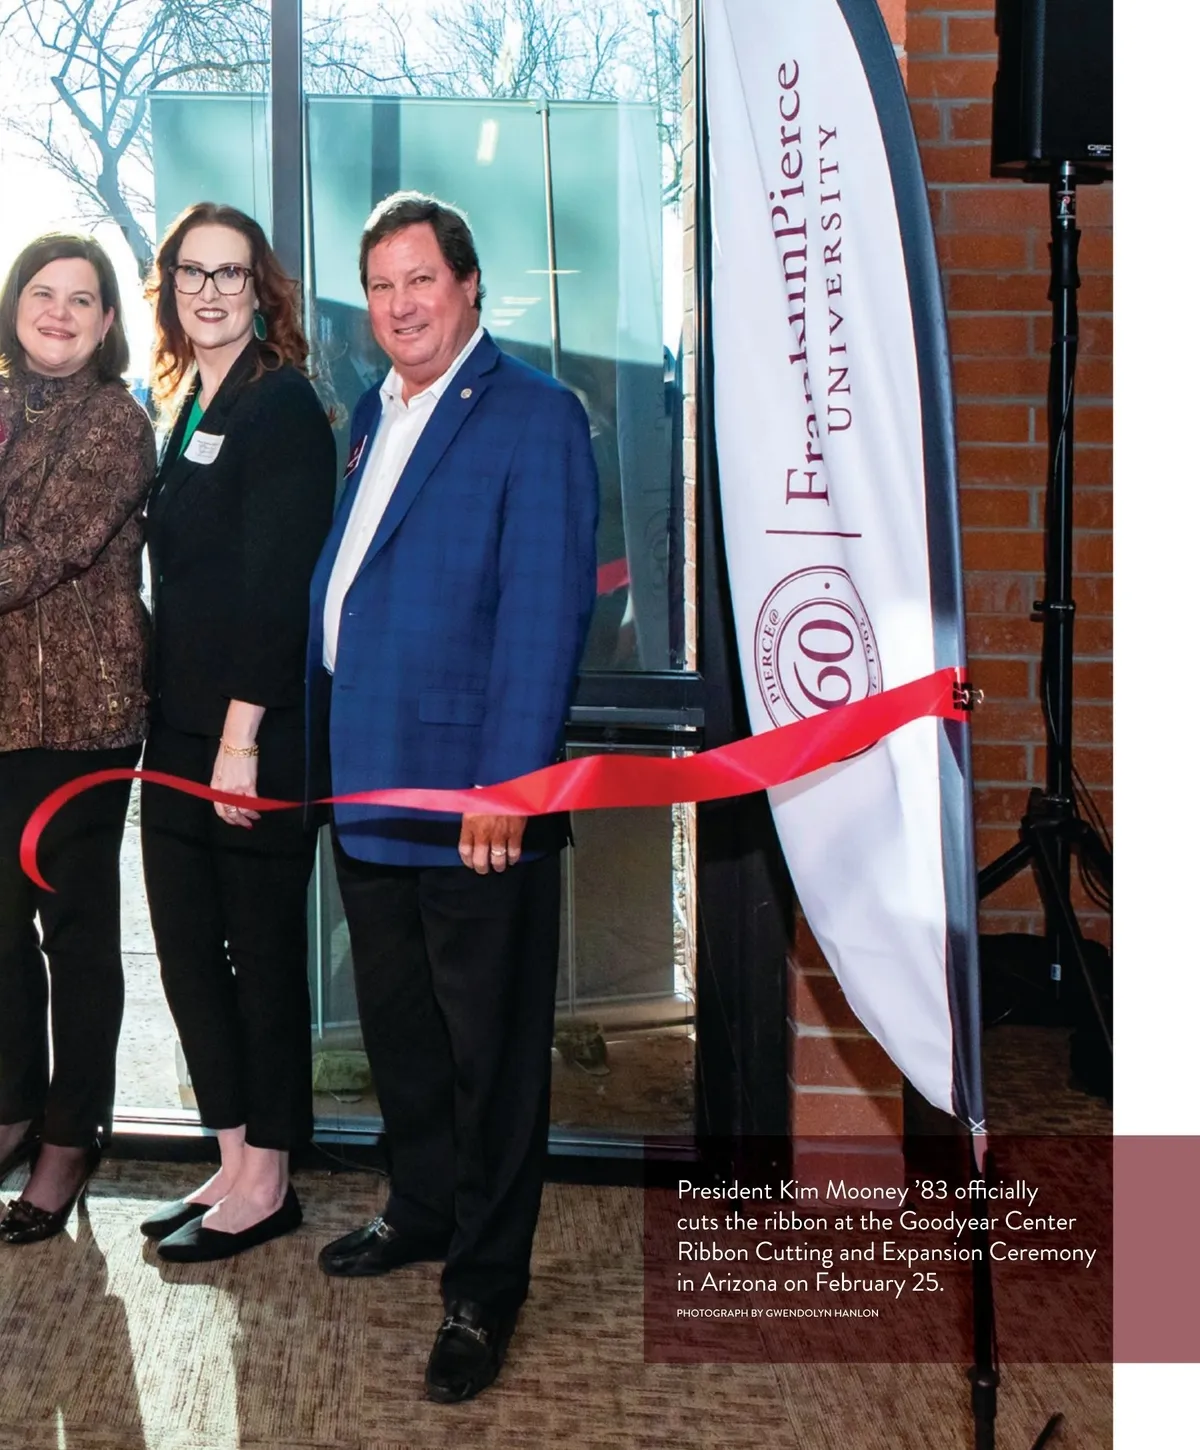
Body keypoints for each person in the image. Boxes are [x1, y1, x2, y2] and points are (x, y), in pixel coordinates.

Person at [308, 192, 598, 1403]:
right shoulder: (375, 412)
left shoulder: (534, 414)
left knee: (493, 1059)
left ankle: (484, 1287)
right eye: (381, 286)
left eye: (420, 279)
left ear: (469, 286)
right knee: (405, 1037)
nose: (400, 305)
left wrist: (508, 784)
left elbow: (542, 615)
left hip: (476, 805)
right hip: (370, 794)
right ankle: (422, 1207)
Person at [137, 203, 335, 1262]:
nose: (209, 291)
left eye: (230, 273)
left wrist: (240, 736)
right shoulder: (185, 403)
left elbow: (279, 587)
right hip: (176, 729)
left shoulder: (281, 403)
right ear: (169, 285)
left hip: (250, 736)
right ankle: (230, 1155)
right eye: (191, 272)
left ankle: (270, 1179)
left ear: (261, 290)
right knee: (185, 952)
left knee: (257, 955)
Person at [0, 234, 155, 1243]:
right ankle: (14, 1106)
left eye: (82, 298)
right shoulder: (2, 406)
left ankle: (70, 1134)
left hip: (78, 720)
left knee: (78, 936)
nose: (58, 312)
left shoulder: (114, 422)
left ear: (106, 324)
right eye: (42, 292)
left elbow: (43, 550)